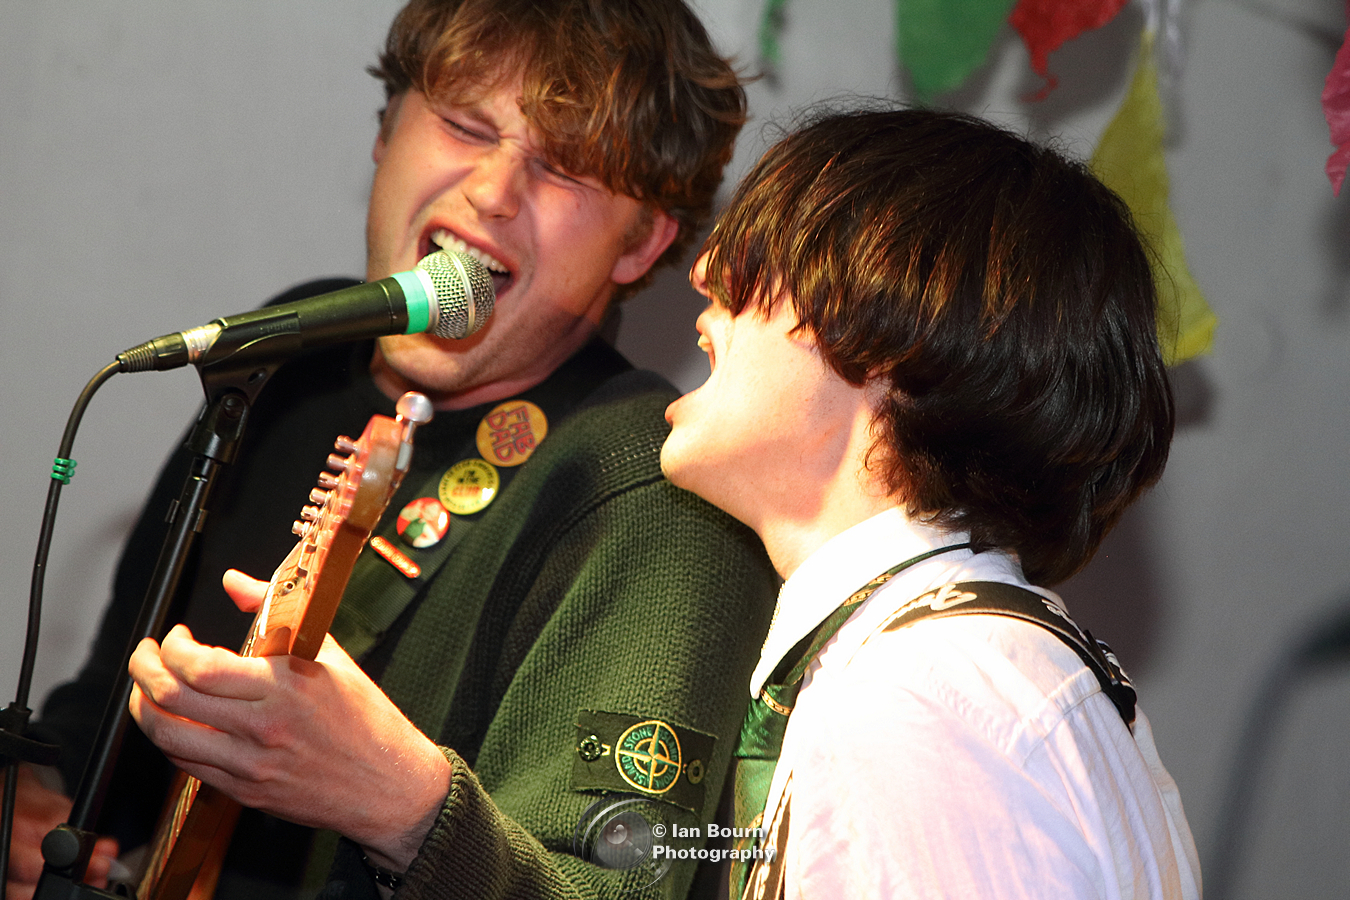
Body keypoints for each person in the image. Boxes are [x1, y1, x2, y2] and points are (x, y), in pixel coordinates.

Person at [5, 2, 778, 899]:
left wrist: (402, 807)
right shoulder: (289, 359)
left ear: (641, 243)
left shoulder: (652, 488)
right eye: (465, 126)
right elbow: (109, 697)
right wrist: (38, 796)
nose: (493, 190)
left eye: (565, 168)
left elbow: (621, 881)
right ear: (385, 131)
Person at [659, 107, 1203, 898]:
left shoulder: (919, 696)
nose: (705, 271)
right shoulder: (955, 666)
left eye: (761, 261)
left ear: (890, 331)